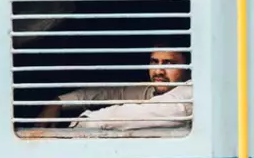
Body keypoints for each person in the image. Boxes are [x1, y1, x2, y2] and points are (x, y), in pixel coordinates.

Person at [55, 48, 193, 135]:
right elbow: (114, 93)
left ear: (188, 68)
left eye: (169, 64)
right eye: (154, 62)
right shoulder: (158, 89)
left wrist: (81, 124)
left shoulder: (188, 95)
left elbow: (126, 117)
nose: (158, 71)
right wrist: (59, 102)